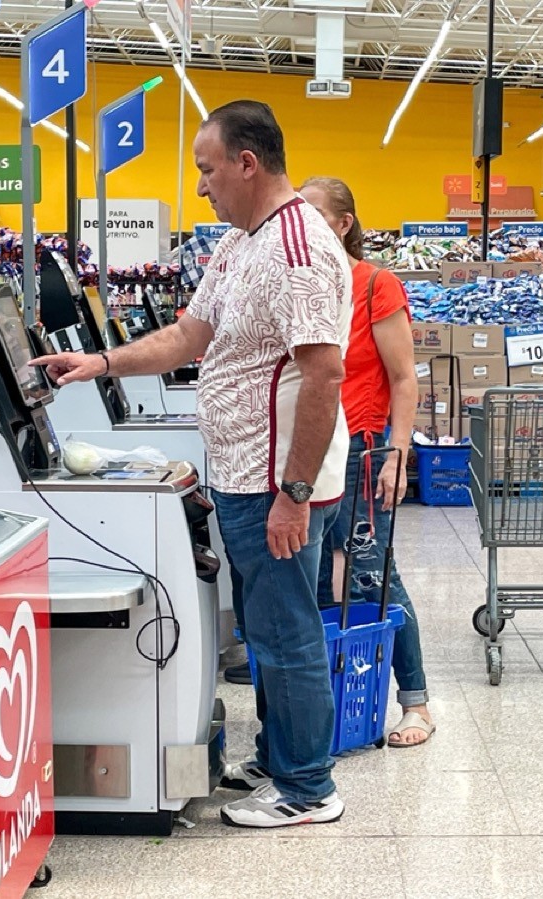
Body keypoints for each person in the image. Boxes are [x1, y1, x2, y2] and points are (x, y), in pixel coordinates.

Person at [32, 100, 353, 829]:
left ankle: (308, 789)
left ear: (247, 163)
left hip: (276, 480)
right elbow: (189, 335)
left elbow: (325, 376)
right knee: (270, 627)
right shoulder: (243, 244)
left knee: (287, 631)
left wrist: (294, 495)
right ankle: (281, 759)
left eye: (207, 169)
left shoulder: (299, 251)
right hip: (241, 473)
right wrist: (101, 361)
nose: (201, 186)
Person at [300, 177, 435, 748]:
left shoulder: (375, 284)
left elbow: (405, 380)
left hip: (360, 445)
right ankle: (337, 698)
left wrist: (396, 456)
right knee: (313, 581)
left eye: (314, 216)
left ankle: (417, 703)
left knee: (374, 572)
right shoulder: (302, 288)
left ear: (344, 223)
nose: (302, 228)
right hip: (305, 450)